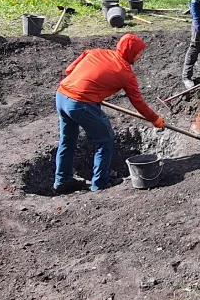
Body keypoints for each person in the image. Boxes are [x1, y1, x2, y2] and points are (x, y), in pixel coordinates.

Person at [54, 34, 164, 194]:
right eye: (139, 53)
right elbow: (138, 102)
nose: (140, 57)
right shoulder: (125, 73)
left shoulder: (97, 52)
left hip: (62, 94)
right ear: (130, 52)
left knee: (67, 139)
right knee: (105, 139)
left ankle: (62, 180)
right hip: (81, 104)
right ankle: (100, 183)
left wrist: (89, 86)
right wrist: (155, 119)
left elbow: (69, 70)